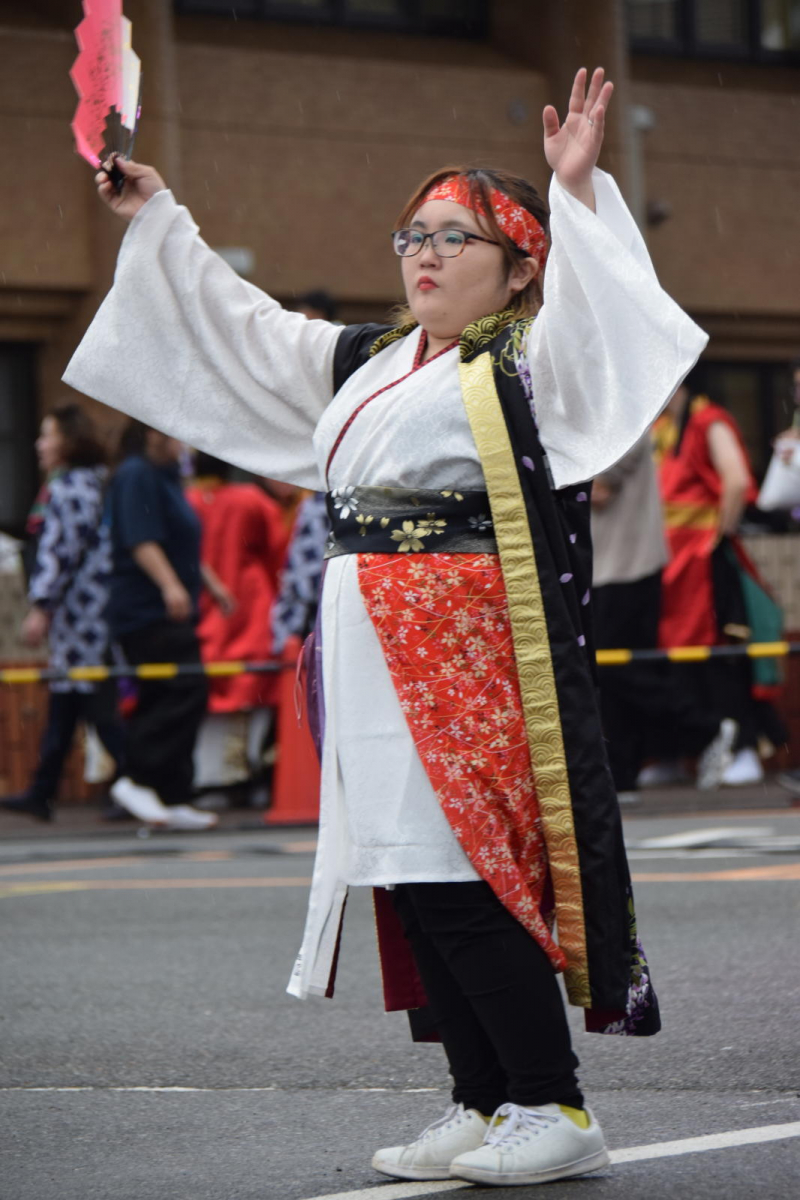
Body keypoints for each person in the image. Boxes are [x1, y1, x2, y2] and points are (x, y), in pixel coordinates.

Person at [65, 68, 706, 1187]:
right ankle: (480, 1096)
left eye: (455, 237)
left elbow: (608, 332)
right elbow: (245, 328)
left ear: (519, 267)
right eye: (413, 232)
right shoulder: (371, 361)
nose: (423, 252)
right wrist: (161, 217)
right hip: (366, 643)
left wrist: (578, 194)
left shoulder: (526, 364)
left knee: (460, 874)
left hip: (461, 653)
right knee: (407, 874)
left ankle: (551, 1103)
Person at [653, 383, 785, 787]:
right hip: (665, 562)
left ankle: (744, 747)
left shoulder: (708, 420)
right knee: (666, 657)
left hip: (702, 559)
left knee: (720, 651)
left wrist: (718, 538)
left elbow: (736, 479)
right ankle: (679, 751)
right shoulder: (658, 427)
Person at [591, 434, 736, 798]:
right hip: (618, 564)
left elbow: (598, 489)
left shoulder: (616, 422)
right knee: (620, 673)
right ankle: (624, 774)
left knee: (617, 668)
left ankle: (705, 728)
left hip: (623, 565)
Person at [1, 404, 124, 823]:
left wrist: (41, 605)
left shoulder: (69, 487)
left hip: (80, 613)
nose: (39, 444)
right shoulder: (96, 481)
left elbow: (59, 550)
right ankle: (42, 788)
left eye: (47, 435)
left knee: (91, 700)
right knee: (69, 699)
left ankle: (138, 778)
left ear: (67, 441)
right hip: (96, 607)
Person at [105, 421, 222, 831]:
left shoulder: (165, 477)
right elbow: (142, 540)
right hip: (146, 609)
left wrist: (212, 585)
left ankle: (172, 794)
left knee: (165, 695)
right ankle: (136, 778)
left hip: (169, 604)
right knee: (184, 689)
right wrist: (170, 586)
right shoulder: (136, 474)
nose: (184, 445)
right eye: (177, 436)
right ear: (155, 434)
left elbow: (180, 541)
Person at [186, 451, 289, 803]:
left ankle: (213, 779)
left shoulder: (185, 501)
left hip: (202, 609)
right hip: (252, 605)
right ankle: (256, 773)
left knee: (209, 695)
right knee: (257, 690)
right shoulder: (252, 500)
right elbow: (280, 552)